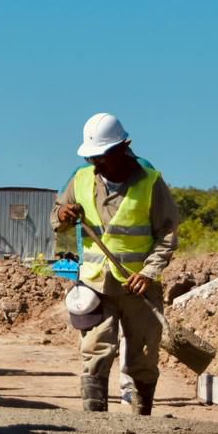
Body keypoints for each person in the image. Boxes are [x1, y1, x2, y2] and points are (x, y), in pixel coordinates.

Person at [52, 113, 179, 415]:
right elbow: (57, 217)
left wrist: (148, 273)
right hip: (96, 284)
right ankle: (96, 424)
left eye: (102, 157)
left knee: (144, 356)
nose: (96, 163)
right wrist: (63, 216)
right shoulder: (81, 178)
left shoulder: (150, 182)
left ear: (123, 148)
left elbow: (168, 234)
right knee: (95, 350)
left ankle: (140, 419)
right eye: (92, 157)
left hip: (139, 289)